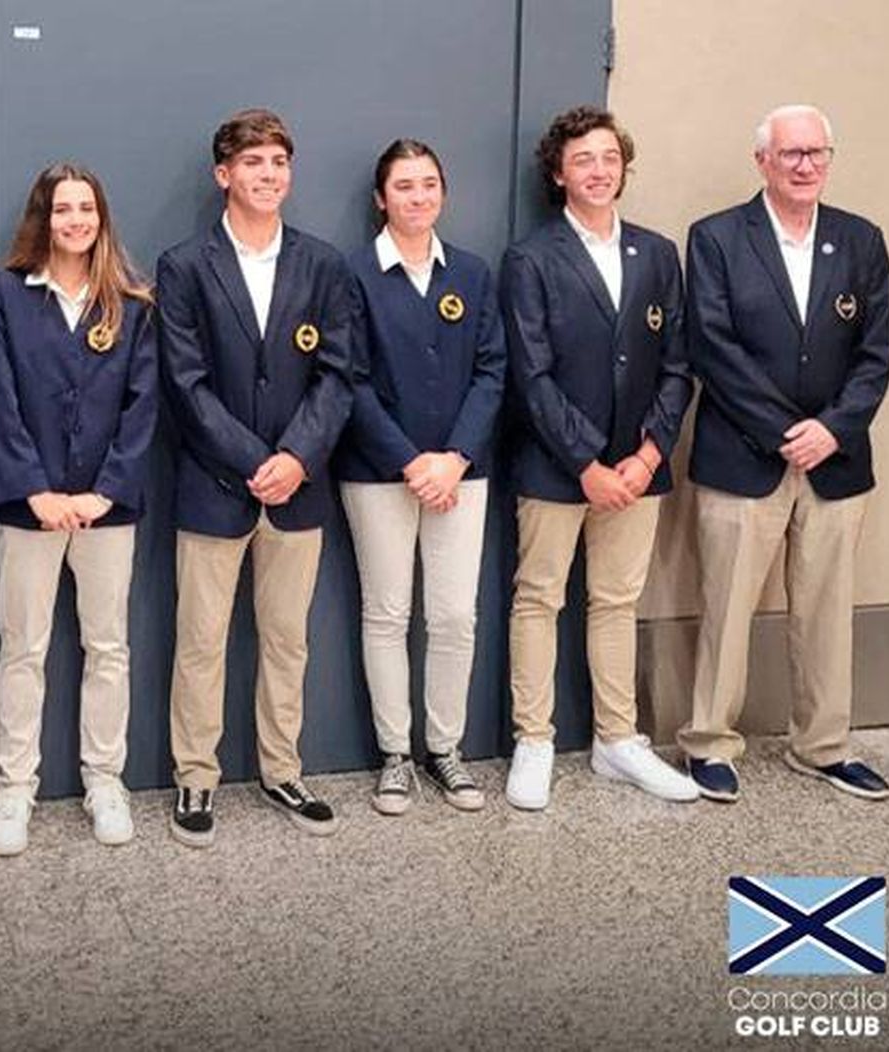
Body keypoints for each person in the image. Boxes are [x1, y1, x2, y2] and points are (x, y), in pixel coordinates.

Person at [677, 105, 889, 803]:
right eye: (791, 153)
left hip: (837, 462)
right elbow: (713, 346)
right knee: (727, 606)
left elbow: (875, 353)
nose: (805, 165)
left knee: (828, 610)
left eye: (817, 152)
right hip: (744, 457)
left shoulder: (860, 240)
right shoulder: (716, 239)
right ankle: (708, 742)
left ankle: (823, 746)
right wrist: (783, 429)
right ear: (762, 161)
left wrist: (831, 428)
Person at [158, 108, 354, 846]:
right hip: (215, 485)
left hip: (299, 489)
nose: (267, 174)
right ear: (223, 175)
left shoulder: (322, 264)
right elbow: (185, 382)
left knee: (286, 639)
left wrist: (296, 457)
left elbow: (337, 378)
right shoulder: (185, 265)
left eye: (277, 162)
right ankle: (196, 778)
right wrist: (251, 461)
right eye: (252, 162)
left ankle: (281, 768)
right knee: (201, 640)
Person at [500, 105, 697, 811]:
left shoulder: (657, 254)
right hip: (558, 468)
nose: (599, 170)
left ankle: (618, 741)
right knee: (539, 598)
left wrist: (646, 456)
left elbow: (678, 365)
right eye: (583, 159)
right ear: (558, 173)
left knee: (616, 601)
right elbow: (531, 374)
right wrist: (587, 461)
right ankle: (534, 739)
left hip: (636, 471)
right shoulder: (531, 258)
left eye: (610, 158)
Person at [0, 163, 157, 855]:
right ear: (42, 218)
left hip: (107, 507)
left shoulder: (132, 304)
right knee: (21, 650)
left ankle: (104, 780)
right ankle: (13, 790)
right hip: (31, 507)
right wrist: (37, 491)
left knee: (107, 647)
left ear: (102, 217)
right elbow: (0, 399)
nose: (75, 220)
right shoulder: (6, 295)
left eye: (87, 208)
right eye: (62, 209)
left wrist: (102, 491)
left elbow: (143, 408)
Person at [335, 138, 505, 815]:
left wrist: (454, 458)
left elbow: (494, 370)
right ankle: (395, 756)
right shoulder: (352, 275)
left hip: (462, 473)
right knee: (385, 613)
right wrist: (410, 461)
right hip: (380, 475)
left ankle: (445, 749)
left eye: (428, 184)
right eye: (403, 186)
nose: (417, 196)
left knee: (455, 616)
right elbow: (349, 380)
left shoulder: (471, 272)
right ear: (381, 198)